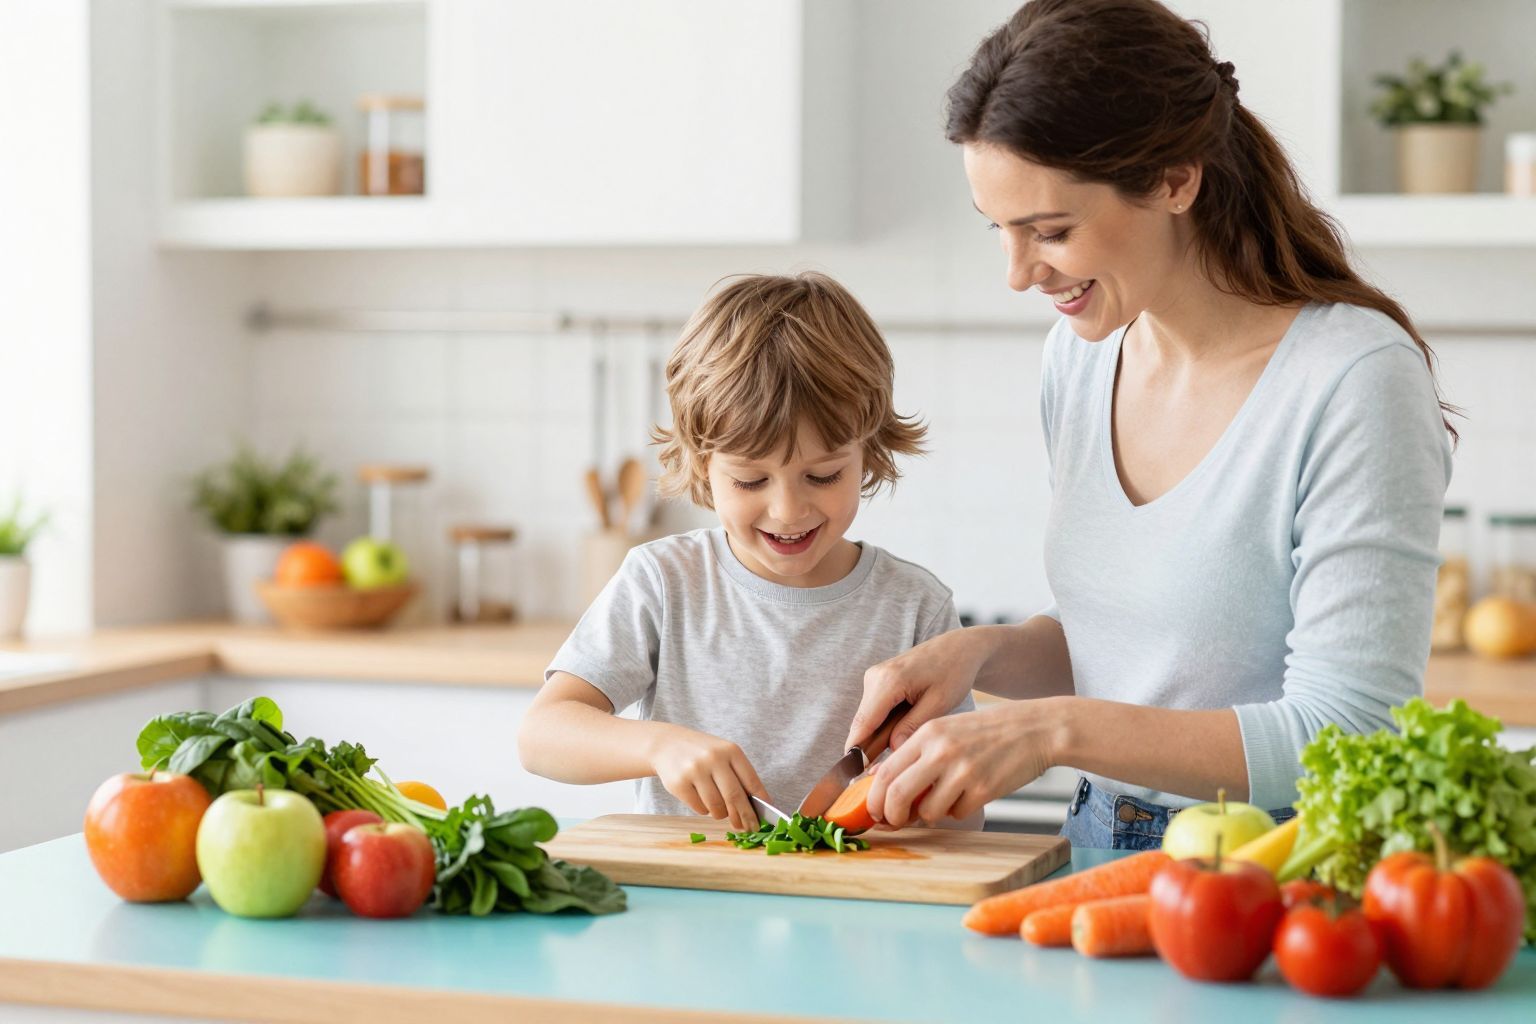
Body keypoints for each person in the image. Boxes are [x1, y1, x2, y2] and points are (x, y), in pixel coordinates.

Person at [845, 0, 1455, 849]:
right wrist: (979, 655)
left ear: (1175, 179)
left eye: (1050, 231)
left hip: (1282, 869)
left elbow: (1347, 730)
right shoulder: (1083, 355)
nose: (1019, 275)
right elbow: (1145, 654)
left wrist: (1050, 731)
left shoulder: (1350, 379)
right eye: (1001, 232)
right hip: (1099, 843)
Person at [518, 272, 980, 831]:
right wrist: (658, 746)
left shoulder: (915, 606)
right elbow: (541, 736)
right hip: (694, 900)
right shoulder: (664, 580)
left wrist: (921, 798)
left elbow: (964, 815)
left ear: (870, 451)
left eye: (823, 474)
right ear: (702, 466)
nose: (788, 510)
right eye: (750, 481)